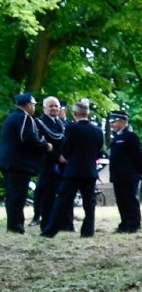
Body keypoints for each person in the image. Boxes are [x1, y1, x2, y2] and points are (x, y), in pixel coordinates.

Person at [43, 99, 103, 239]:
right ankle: (88, 231)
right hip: (90, 171)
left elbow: (67, 148)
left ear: (75, 113)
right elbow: (99, 150)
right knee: (89, 203)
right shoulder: (97, 130)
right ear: (87, 113)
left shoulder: (71, 128)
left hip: (74, 171)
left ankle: (51, 230)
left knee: (63, 200)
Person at [1, 92, 50, 234]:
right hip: (19, 163)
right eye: (33, 105)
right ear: (28, 105)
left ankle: (13, 224)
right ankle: (16, 226)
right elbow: (28, 138)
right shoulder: (24, 118)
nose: (34, 108)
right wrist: (45, 145)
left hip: (8, 162)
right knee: (18, 195)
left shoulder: (11, 117)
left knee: (12, 195)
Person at [106, 110, 142, 233]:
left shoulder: (130, 136)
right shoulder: (117, 137)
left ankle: (134, 225)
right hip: (118, 175)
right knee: (121, 201)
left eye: (113, 121)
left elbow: (138, 155)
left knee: (130, 200)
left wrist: (139, 170)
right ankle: (124, 223)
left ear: (122, 121)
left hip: (129, 175)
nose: (111, 124)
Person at [32, 97, 67, 227]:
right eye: (51, 106)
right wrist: (57, 156)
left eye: (56, 106)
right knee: (47, 193)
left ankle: (61, 221)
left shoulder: (63, 123)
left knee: (63, 192)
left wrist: (65, 156)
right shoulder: (39, 123)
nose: (54, 108)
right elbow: (41, 143)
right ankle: (45, 222)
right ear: (44, 108)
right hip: (47, 162)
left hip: (64, 163)